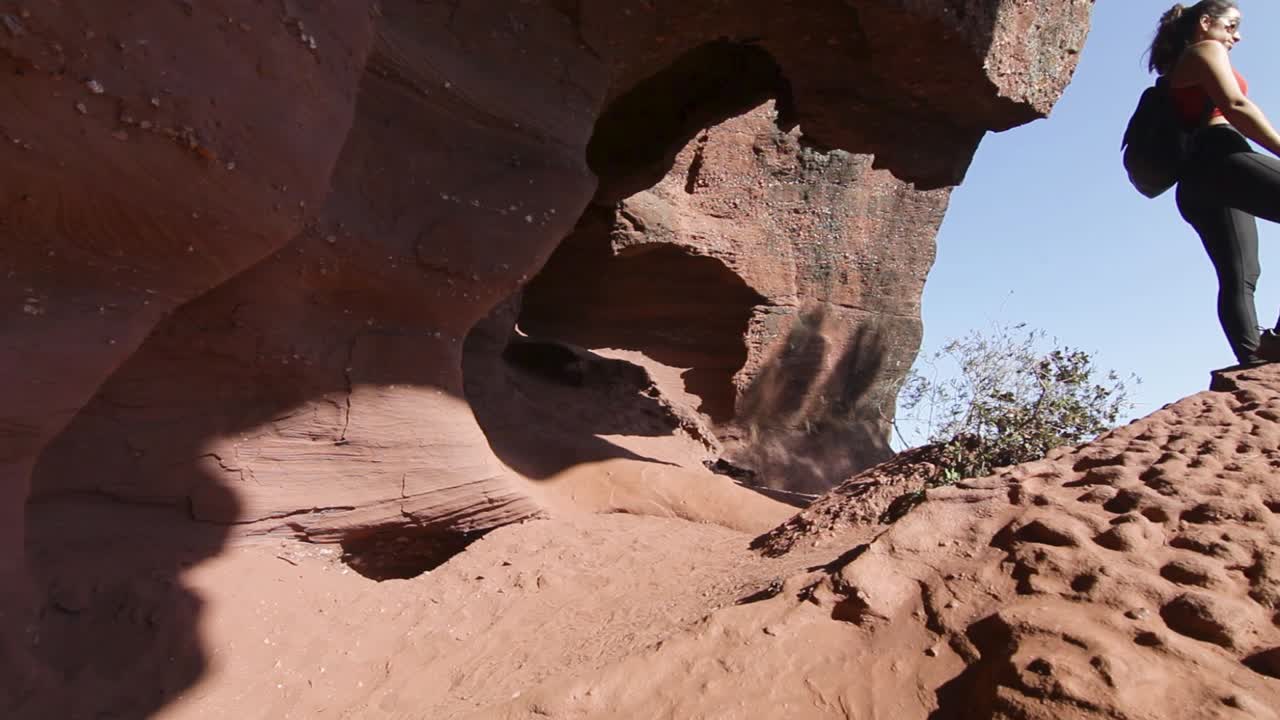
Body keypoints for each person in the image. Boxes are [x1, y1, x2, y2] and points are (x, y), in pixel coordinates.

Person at [1150, 1, 1280, 365]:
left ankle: (1256, 363)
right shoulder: (1205, 49)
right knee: (1241, 275)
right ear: (1206, 23)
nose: (1236, 36)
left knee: (1240, 274)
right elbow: (1236, 105)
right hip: (1221, 158)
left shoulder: (1182, 63)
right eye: (1232, 25)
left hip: (1197, 180)